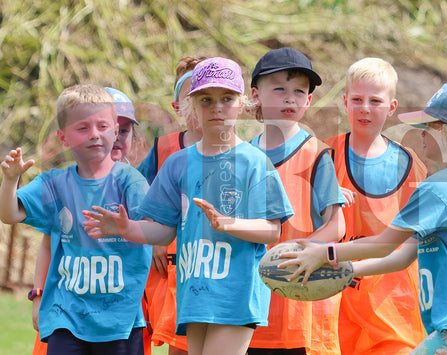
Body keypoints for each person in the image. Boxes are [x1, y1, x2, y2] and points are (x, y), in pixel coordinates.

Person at [281, 83, 447, 354]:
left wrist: (324, 253)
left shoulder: (441, 187)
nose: (421, 134)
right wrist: (349, 270)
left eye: (429, 127)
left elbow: (383, 244)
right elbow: (402, 256)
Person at [82, 57, 294, 355]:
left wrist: (228, 223)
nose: (217, 107)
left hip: (236, 294)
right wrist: (127, 228)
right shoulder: (178, 163)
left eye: (227, 98)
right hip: (194, 293)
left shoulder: (254, 162)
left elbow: (272, 230)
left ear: (242, 103)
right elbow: (163, 230)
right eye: (206, 99)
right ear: (192, 105)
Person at [0, 84, 151, 355]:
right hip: (66, 315)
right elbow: (9, 214)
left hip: (120, 320)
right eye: (82, 128)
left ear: (114, 131)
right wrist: (10, 181)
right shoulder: (53, 184)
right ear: (63, 137)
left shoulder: (131, 182)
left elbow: (156, 230)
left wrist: (126, 228)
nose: (94, 135)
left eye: (102, 127)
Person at [246, 47, 346, 355]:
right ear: (255, 95)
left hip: (299, 306)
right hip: (249, 306)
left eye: (299, 91)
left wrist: (294, 255)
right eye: (279, 88)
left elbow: (336, 225)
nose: (290, 97)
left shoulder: (316, 153)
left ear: (309, 101)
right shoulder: (242, 157)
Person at [323, 57, 426, 354]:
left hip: (392, 307)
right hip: (334, 303)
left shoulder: (409, 165)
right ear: (344, 102)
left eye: (375, 100)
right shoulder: (323, 156)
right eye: (356, 99)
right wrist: (323, 198)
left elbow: (415, 242)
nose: (364, 107)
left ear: (392, 107)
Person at [137, 55, 206, 355]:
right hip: (175, 267)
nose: (199, 104)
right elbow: (139, 200)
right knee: (180, 344)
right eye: (190, 97)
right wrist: (154, 238)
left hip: (221, 263)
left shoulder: (242, 151)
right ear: (177, 107)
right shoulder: (163, 149)